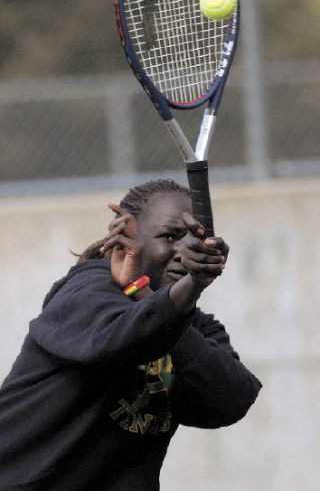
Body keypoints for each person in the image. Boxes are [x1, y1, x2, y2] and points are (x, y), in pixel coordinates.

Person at [0, 179, 262, 491]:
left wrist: (149, 291)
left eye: (192, 240)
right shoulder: (84, 293)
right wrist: (169, 291)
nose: (183, 252)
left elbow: (231, 399)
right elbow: (126, 336)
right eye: (169, 237)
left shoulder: (192, 324)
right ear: (127, 235)